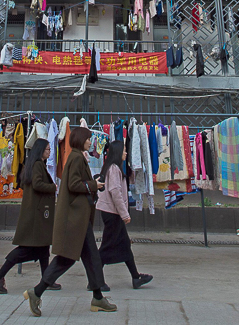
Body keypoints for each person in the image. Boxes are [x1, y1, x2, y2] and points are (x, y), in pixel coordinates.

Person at [24, 126, 116, 316]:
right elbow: (73, 184)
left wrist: (92, 184)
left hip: (79, 219)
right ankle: (37, 292)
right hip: (75, 219)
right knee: (66, 259)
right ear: (80, 140)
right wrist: (93, 184)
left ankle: (97, 297)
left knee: (91, 258)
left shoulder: (76, 156)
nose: (90, 142)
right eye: (88, 139)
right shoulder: (75, 157)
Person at [0, 139, 61, 294]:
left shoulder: (35, 165)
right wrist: (53, 187)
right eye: (47, 149)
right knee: (25, 250)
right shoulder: (37, 165)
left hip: (36, 214)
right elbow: (37, 184)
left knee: (43, 248)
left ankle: (46, 279)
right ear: (40, 150)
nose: (49, 151)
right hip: (35, 216)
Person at [97, 141, 153, 289]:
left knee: (124, 245)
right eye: (124, 151)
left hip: (111, 212)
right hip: (112, 213)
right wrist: (124, 214)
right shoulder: (114, 169)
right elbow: (115, 192)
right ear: (118, 152)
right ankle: (95, 280)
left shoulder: (112, 167)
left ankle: (136, 277)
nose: (126, 153)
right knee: (106, 248)